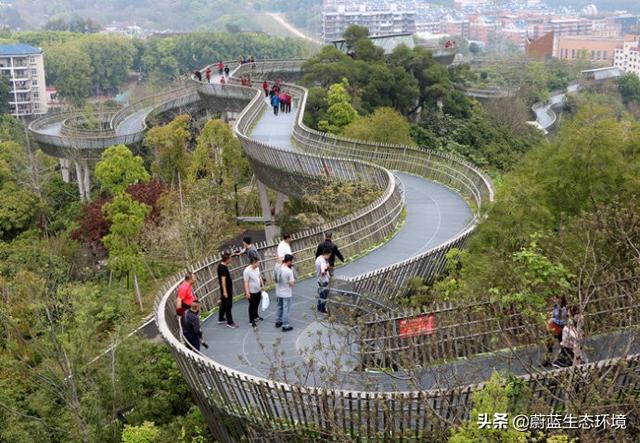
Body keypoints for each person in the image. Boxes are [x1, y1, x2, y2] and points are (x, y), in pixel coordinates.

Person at [542, 295, 568, 366]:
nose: (554, 299)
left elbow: (560, 320)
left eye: (556, 298)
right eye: (554, 298)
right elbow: (555, 316)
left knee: (563, 345)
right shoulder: (556, 306)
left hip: (560, 328)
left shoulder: (562, 308)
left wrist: (552, 319)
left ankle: (566, 359)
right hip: (553, 328)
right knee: (549, 344)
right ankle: (547, 360)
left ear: (560, 299)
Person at [217, 253, 238, 328]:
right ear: (227, 259)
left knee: (223, 303)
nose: (231, 259)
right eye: (230, 258)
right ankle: (230, 322)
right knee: (228, 305)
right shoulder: (223, 268)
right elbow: (223, 280)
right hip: (226, 289)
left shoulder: (221, 265)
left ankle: (221, 318)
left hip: (226, 289)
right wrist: (225, 291)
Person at [275, 254, 295, 331]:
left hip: (278, 291)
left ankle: (278, 321)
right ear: (289, 261)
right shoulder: (289, 271)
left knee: (279, 306)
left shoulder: (278, 267)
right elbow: (292, 283)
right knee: (286, 308)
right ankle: (285, 325)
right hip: (286, 292)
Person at [243, 257, 264, 327]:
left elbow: (259, 276)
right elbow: (245, 282)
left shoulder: (257, 268)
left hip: (258, 289)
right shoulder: (247, 271)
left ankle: (256, 316)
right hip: (251, 291)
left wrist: (262, 285)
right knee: (252, 306)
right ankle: (251, 320)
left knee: (257, 304)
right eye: (257, 262)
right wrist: (247, 292)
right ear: (253, 263)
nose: (259, 263)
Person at [315, 249, 331, 313]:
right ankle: (322, 308)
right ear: (326, 254)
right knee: (324, 295)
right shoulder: (323, 262)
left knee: (321, 293)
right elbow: (323, 272)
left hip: (319, 279)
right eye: (329, 255)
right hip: (324, 280)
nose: (329, 257)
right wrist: (327, 268)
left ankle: (319, 307)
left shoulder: (318, 258)